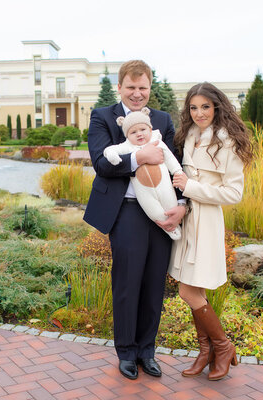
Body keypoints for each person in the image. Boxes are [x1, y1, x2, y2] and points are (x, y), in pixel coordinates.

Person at [83, 60, 186, 380]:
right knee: (128, 284)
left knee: (155, 282)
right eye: (131, 87)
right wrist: (139, 156)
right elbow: (102, 163)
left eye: (143, 88)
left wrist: (183, 204)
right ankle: (126, 352)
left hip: (162, 209)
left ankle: (147, 351)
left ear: (149, 88)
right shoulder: (102, 117)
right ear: (120, 87)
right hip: (125, 210)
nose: (137, 94)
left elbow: (177, 163)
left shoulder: (163, 120)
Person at [169, 82, 253, 381]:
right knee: (195, 289)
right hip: (188, 218)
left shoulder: (227, 142)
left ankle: (223, 345)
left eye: (205, 106)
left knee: (187, 290)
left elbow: (233, 193)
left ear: (217, 106)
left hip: (207, 221)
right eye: (193, 107)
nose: (199, 113)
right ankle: (206, 352)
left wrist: (191, 187)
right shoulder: (188, 136)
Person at [103, 107, 185, 240]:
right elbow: (110, 149)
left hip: (164, 187)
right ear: (127, 136)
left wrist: (177, 171)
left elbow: (170, 158)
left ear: (150, 129)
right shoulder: (127, 146)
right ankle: (170, 229)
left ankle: (174, 224)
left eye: (143, 129)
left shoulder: (157, 142)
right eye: (133, 132)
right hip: (144, 192)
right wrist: (112, 155)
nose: (139, 134)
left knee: (170, 204)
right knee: (153, 210)